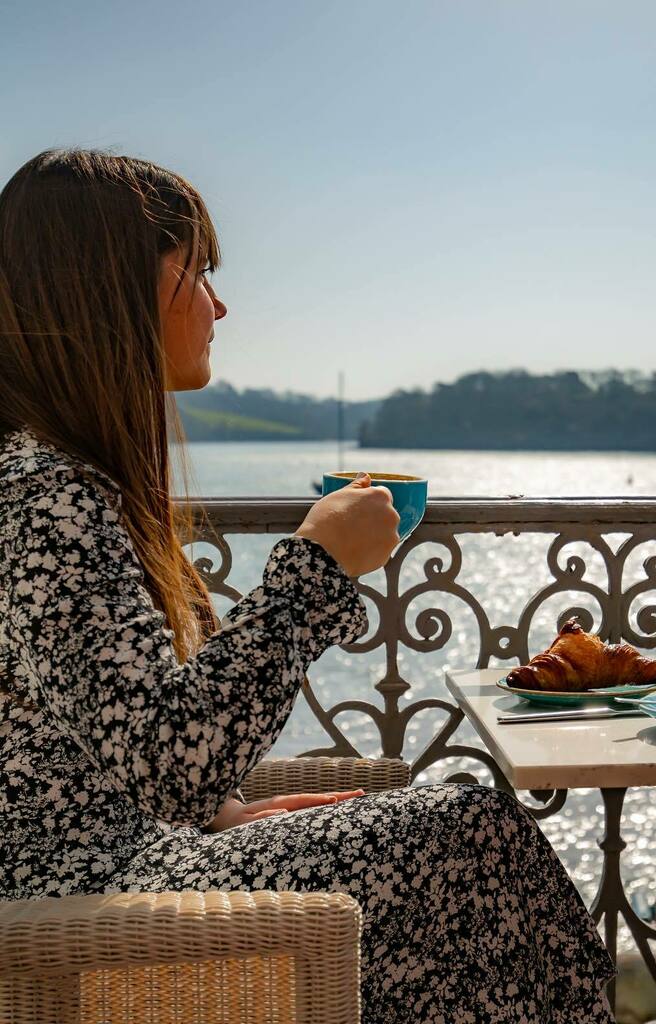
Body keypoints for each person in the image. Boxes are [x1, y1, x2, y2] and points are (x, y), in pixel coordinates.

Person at [0, 149, 615, 1022]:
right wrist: (314, 570)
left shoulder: (60, 480)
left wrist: (222, 820)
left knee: (459, 853)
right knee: (470, 836)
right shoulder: (42, 493)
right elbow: (166, 760)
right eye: (197, 272)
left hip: (119, 857)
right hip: (77, 893)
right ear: (108, 287)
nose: (219, 304)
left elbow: (111, 743)